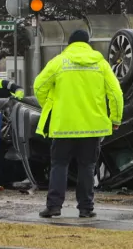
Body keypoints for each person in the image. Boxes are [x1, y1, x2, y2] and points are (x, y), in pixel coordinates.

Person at [34, 29, 124, 219]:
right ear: (88, 44)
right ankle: (86, 208)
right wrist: (115, 119)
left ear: (70, 44)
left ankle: (54, 207)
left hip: (63, 127)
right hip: (92, 128)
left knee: (59, 165)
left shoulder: (59, 62)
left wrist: (51, 104)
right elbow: (116, 93)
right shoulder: (101, 64)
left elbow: (39, 86)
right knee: (87, 167)